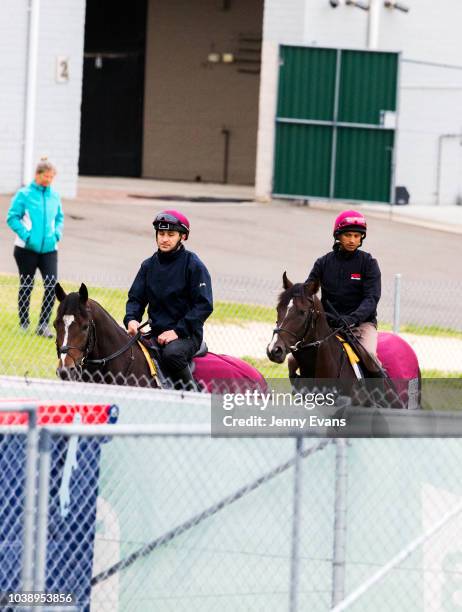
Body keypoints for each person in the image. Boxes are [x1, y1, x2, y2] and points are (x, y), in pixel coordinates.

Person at [124, 210, 213, 388]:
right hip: (156, 333)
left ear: (183, 237)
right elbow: (135, 298)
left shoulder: (193, 265)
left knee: (172, 354)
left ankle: (192, 396)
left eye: (171, 235)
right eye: (161, 234)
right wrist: (132, 319)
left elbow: (204, 305)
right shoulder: (148, 266)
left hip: (186, 335)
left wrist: (177, 332)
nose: (165, 239)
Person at [305, 209, 381, 360]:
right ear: (338, 235)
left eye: (357, 236)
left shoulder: (369, 263)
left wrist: (352, 318)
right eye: (348, 235)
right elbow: (308, 291)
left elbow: (371, 298)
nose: (352, 240)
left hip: (361, 325)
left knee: (370, 356)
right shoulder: (323, 263)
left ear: (361, 238)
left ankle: (378, 384)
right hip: (327, 325)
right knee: (295, 360)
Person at [7, 158, 64, 338]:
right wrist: (27, 236)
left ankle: (43, 325)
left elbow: (59, 218)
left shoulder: (54, 196)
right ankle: (24, 322)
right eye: (46, 176)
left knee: (51, 284)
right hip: (26, 249)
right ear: (37, 175)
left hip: (49, 249)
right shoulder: (24, 194)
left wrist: (56, 234)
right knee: (27, 284)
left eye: (51, 177)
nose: (48, 180)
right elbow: (12, 218)